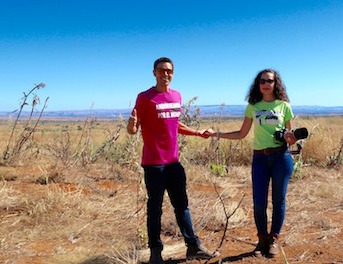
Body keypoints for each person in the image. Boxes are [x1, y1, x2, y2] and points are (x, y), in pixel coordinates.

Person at [127, 57, 218, 264]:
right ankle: (155, 252)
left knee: (182, 206)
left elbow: (174, 123)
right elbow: (134, 128)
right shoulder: (145, 97)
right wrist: (131, 126)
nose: (165, 74)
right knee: (155, 209)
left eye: (169, 71)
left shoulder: (176, 96)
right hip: (154, 164)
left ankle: (193, 246)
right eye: (161, 70)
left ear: (173, 73)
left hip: (174, 163)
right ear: (154, 73)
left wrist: (197, 132)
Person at [211, 68, 297, 258]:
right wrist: (217, 134)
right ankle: (262, 239)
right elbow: (241, 133)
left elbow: (291, 138)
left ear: (276, 84)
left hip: (281, 158)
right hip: (260, 159)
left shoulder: (284, 106)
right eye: (262, 81)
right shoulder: (253, 106)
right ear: (258, 84)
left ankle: (273, 239)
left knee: (278, 201)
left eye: (270, 81)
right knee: (259, 202)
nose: (266, 84)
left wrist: (291, 138)